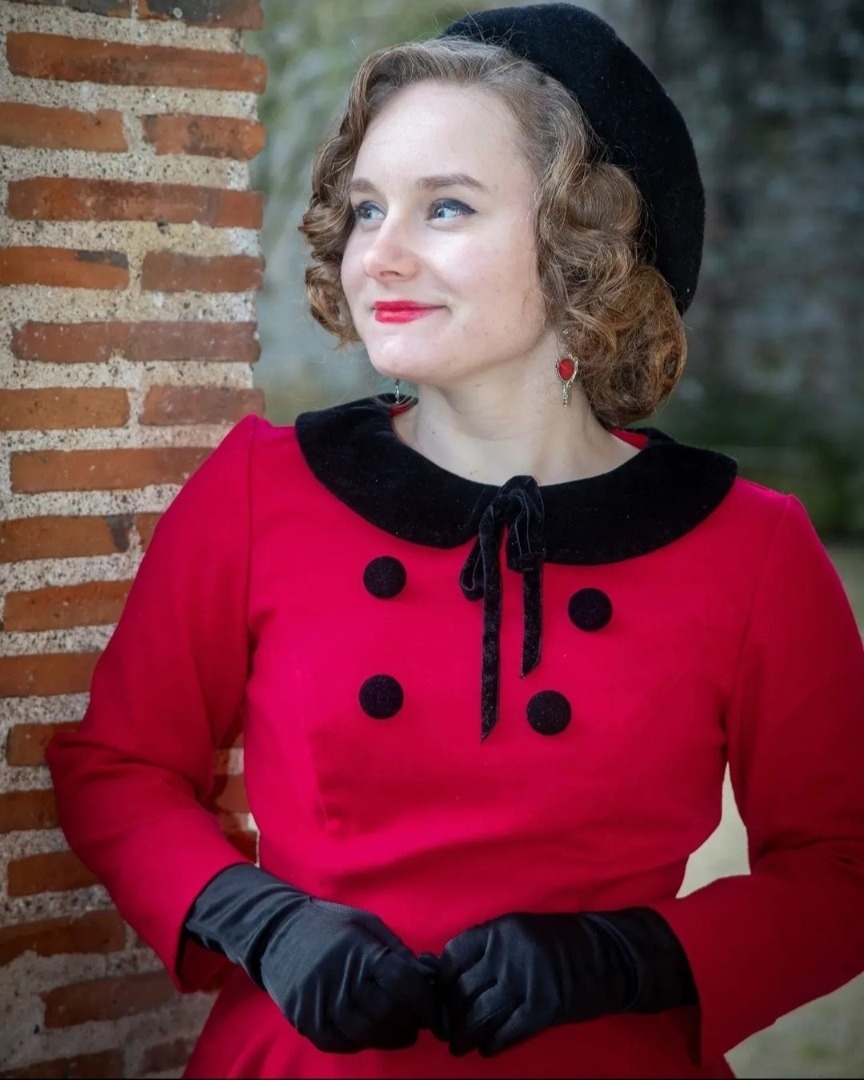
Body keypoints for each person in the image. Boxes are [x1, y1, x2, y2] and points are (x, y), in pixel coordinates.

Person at [46, 4, 864, 1078]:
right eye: (366, 208)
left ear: (586, 243)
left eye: (446, 208)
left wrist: (630, 957)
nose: (377, 255)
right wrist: (259, 920)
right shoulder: (260, 488)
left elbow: (842, 868)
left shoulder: (752, 548)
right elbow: (119, 768)